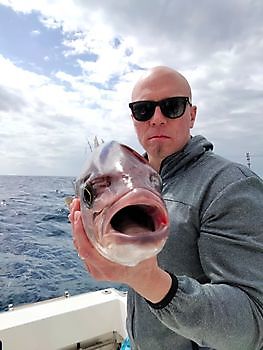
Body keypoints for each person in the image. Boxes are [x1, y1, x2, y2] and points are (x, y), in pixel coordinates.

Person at [69, 66, 263, 349]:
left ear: (192, 114)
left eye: (172, 106)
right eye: (144, 109)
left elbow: (254, 323)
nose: (157, 119)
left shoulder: (230, 186)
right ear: (134, 118)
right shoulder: (136, 177)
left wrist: (150, 280)